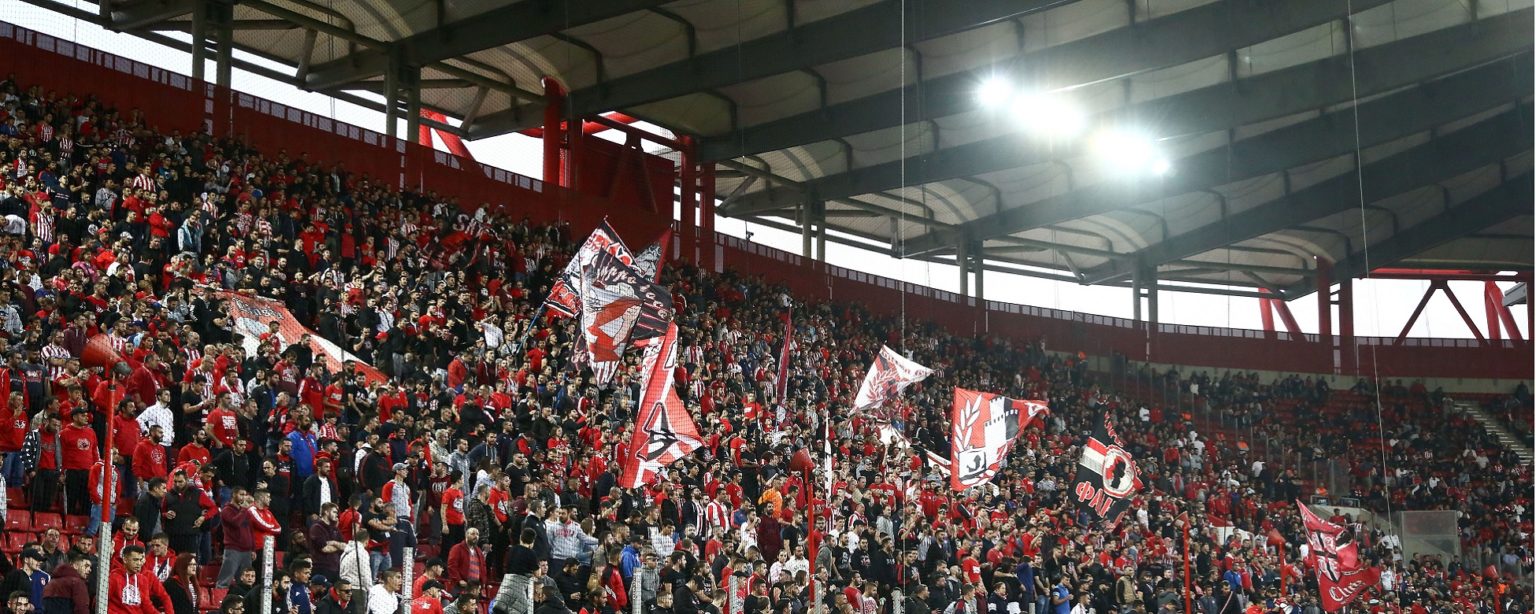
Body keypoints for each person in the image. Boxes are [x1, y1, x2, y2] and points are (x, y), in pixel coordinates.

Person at [108, 545, 171, 614]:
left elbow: (147, 606)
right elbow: (102, 602)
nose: (139, 563)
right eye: (135, 560)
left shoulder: (143, 580)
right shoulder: (114, 577)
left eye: (140, 560)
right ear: (125, 560)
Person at [217, 489, 255, 589]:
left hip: (247, 551)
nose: (243, 497)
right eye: (241, 494)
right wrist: (244, 510)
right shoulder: (226, 510)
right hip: (233, 549)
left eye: (245, 495)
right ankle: (220, 598)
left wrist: (253, 549)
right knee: (225, 580)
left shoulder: (245, 511)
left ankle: (244, 598)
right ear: (234, 495)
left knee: (246, 581)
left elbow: (250, 530)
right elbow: (236, 523)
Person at [447, 529, 486, 593]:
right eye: (473, 534)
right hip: (460, 586)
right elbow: (452, 566)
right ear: (466, 535)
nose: (476, 536)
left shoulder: (479, 551)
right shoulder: (457, 548)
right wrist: (459, 580)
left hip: (475, 587)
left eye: (477, 534)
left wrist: (483, 582)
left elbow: (483, 568)